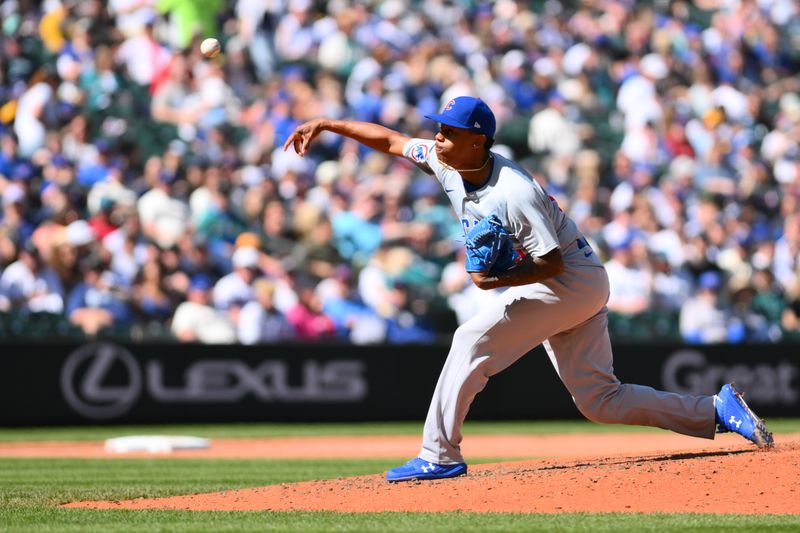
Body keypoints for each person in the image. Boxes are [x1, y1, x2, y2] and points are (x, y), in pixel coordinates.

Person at [284, 96, 774, 481]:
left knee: (469, 340)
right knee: (600, 401)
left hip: (569, 280)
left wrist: (490, 281)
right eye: (438, 127)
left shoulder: (513, 191)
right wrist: (327, 124)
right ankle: (714, 409)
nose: (437, 136)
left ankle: (439, 455)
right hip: (580, 281)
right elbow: (391, 141)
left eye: (449, 131)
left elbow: (551, 263)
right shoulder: (444, 159)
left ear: (478, 141)